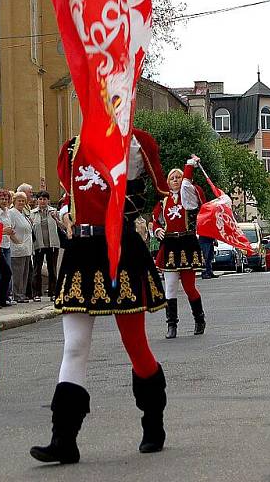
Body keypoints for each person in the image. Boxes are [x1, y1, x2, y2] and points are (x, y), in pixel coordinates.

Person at [30, 128, 170, 465]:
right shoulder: (72, 146)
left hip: (120, 248)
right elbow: (74, 193)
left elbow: (146, 194)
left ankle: (153, 420)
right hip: (82, 248)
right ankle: (63, 437)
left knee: (135, 344)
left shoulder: (136, 141)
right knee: (74, 345)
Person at [153, 155, 207, 339]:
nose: (175, 180)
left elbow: (187, 185)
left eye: (178, 177)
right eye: (172, 178)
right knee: (170, 287)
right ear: (168, 182)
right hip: (169, 245)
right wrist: (157, 230)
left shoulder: (189, 195)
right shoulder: (162, 201)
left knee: (189, 286)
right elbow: (156, 221)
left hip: (187, 243)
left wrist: (190, 166)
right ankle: (171, 325)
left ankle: (199, 319)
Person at [31, 190, 63, 301]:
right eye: (40, 199)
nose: (42, 201)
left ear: (48, 200)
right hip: (38, 244)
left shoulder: (54, 212)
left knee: (52, 269)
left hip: (52, 244)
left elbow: (62, 226)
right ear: (37, 200)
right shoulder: (32, 213)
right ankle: (36, 293)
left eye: (44, 199)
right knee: (37, 269)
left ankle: (53, 292)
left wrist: (56, 218)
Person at [8, 191, 34, 302]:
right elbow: (10, 229)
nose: (21, 203)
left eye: (23, 201)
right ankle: (17, 294)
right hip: (17, 248)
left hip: (27, 248)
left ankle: (22, 294)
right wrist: (17, 242)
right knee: (17, 274)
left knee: (24, 273)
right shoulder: (12, 213)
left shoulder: (23, 213)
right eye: (19, 200)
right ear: (14, 201)